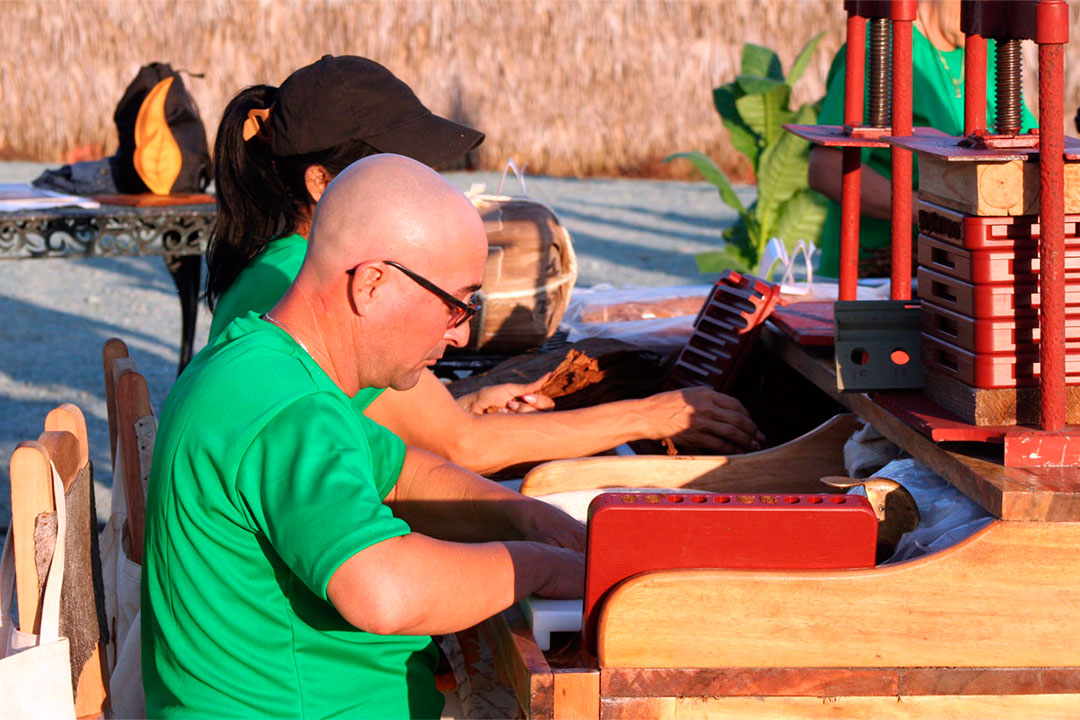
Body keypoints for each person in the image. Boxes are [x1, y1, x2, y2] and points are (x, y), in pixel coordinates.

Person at [142, 155, 587, 718]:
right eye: (456, 304)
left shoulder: (260, 361)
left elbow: (401, 475)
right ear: (372, 283)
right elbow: (384, 591)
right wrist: (539, 565)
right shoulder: (288, 405)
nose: (461, 333)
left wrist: (533, 519)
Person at [205, 54, 765, 472]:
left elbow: (379, 422)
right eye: (405, 172)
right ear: (322, 184)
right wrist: (651, 415)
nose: (426, 187)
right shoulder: (305, 283)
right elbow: (460, 447)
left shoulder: (283, 261)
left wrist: (465, 401)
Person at [808, 0, 1037, 278]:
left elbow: (1029, 145)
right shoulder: (880, 49)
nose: (986, 11)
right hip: (876, 273)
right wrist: (934, 217)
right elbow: (826, 169)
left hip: (955, 267)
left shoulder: (990, 51)